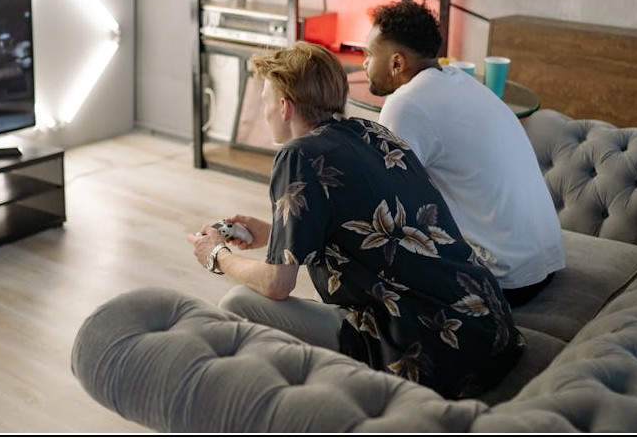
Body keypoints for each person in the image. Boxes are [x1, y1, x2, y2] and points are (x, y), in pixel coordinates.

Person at [188, 41, 524, 399]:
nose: (265, 111)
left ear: (285, 107)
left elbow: (277, 284)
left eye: (265, 101)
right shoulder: (375, 133)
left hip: (430, 349)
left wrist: (217, 256)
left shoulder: (298, 155)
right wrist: (276, 234)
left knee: (238, 302)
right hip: (491, 330)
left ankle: (285, 405)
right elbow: (364, 234)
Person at [363, 0, 565, 306]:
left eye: (368, 54)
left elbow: (385, 200)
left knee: (359, 236)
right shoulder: (462, 81)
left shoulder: (406, 103)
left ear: (397, 63)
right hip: (542, 263)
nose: (364, 63)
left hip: (502, 277)